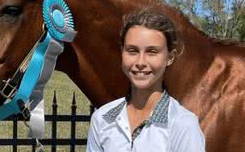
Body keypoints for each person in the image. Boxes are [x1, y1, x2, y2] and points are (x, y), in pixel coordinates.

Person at [86, 10, 205, 152]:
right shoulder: (102, 118)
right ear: (122, 52)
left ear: (170, 57)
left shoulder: (183, 124)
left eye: (152, 52)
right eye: (132, 50)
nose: (140, 62)